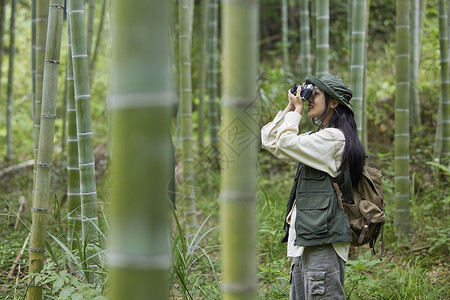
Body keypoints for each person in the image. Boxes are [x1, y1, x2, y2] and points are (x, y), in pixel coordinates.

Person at [261, 74, 365, 299]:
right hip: (307, 239)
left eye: (315, 94)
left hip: (323, 242)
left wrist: (297, 112)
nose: (308, 99)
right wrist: (290, 107)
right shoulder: (318, 138)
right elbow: (270, 140)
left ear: (334, 102)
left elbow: (286, 141)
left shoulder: (334, 139)